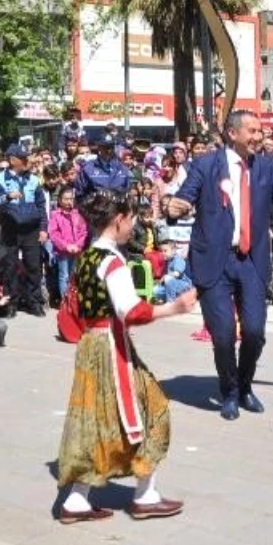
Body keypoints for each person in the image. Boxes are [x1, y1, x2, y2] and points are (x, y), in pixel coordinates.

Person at [163, 110, 273, 421]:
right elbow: (182, 199)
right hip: (214, 263)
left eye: (260, 131)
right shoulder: (205, 165)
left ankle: (245, 385)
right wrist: (173, 206)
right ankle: (230, 392)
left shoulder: (265, 166)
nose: (259, 136)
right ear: (232, 134)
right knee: (222, 334)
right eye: (252, 130)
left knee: (255, 331)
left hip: (252, 261)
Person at [57, 190, 198, 524]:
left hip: (90, 345)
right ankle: (145, 495)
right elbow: (130, 311)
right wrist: (174, 308)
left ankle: (77, 501)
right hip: (110, 346)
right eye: (132, 218)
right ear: (118, 220)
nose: (134, 224)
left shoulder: (88, 255)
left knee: (95, 420)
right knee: (152, 409)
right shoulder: (112, 260)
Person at [0, 144, 49, 316]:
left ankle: (34, 301)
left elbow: (41, 206)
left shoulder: (34, 179)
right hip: (10, 229)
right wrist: (7, 196)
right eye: (23, 158)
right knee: (9, 267)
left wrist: (44, 229)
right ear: (13, 160)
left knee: (33, 266)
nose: (27, 161)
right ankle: (11, 303)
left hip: (31, 229)